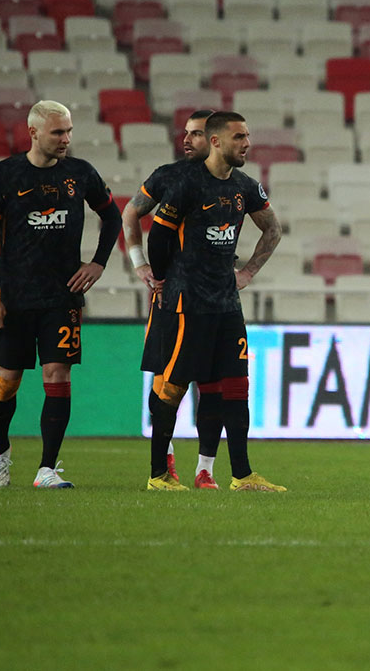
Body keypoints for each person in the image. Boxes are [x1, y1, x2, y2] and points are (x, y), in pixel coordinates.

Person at [0, 100, 122, 488]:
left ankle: (46, 468)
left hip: (62, 297)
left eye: (69, 131)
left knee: (58, 374)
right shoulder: (3, 175)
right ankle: (0, 450)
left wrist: (98, 263)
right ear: (34, 132)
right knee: (7, 381)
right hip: (15, 298)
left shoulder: (81, 173)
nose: (66, 139)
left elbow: (112, 216)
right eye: (58, 132)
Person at [141, 111, 286, 492]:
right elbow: (158, 235)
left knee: (237, 387)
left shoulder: (245, 186)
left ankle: (242, 475)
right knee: (172, 387)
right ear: (217, 141)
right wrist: (162, 277)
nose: (247, 143)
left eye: (248, 136)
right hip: (189, 303)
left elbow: (273, 227)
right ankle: (158, 475)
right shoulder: (187, 184)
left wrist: (249, 271)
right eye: (239, 137)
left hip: (226, 304)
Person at [123, 109, 224, 489]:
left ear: (214, 138)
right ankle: (163, 460)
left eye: (196, 134)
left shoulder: (232, 182)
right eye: (187, 133)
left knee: (211, 384)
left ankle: (205, 469)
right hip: (172, 296)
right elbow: (131, 211)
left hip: (215, 298)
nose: (187, 140)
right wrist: (140, 264)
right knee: (167, 380)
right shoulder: (169, 176)